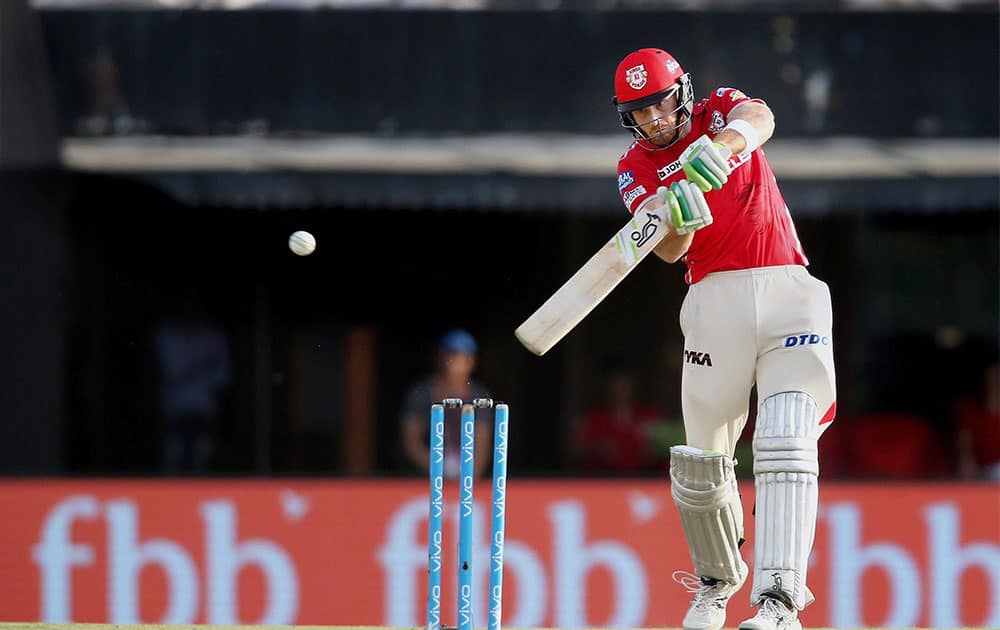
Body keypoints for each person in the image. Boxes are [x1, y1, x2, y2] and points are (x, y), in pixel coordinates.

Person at [612, 48, 837, 630]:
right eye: (640, 113)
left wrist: (725, 146)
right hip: (713, 302)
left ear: (682, 93)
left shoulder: (718, 111)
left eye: (660, 104)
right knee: (703, 460)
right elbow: (668, 251)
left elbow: (761, 118)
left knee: (787, 434)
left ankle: (780, 601)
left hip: (788, 286)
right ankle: (716, 583)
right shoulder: (634, 169)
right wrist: (677, 214)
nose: (655, 120)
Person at [400, 329, 492, 478]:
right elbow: (411, 442)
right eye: (450, 355)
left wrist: (469, 474)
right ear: (439, 357)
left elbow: (483, 443)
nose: (454, 363)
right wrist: (439, 466)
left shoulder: (478, 395)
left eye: (460, 357)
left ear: (471, 362)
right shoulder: (422, 393)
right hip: (425, 476)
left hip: (467, 476)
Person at [570, 360, 675, 475]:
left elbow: (669, 449)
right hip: (602, 480)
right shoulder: (592, 419)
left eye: (624, 384)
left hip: (644, 479)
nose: (620, 389)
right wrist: (598, 449)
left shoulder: (651, 416)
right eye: (615, 384)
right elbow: (577, 451)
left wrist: (651, 450)